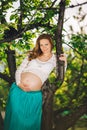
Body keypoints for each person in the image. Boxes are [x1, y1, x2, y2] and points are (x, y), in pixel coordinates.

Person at [4, 34, 67, 130]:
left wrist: (65, 63)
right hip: (18, 91)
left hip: (34, 96)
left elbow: (60, 74)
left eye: (46, 44)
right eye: (41, 45)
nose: (44, 47)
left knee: (29, 124)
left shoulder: (55, 59)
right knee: (15, 120)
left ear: (51, 44)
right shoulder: (32, 54)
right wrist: (19, 84)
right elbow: (19, 70)